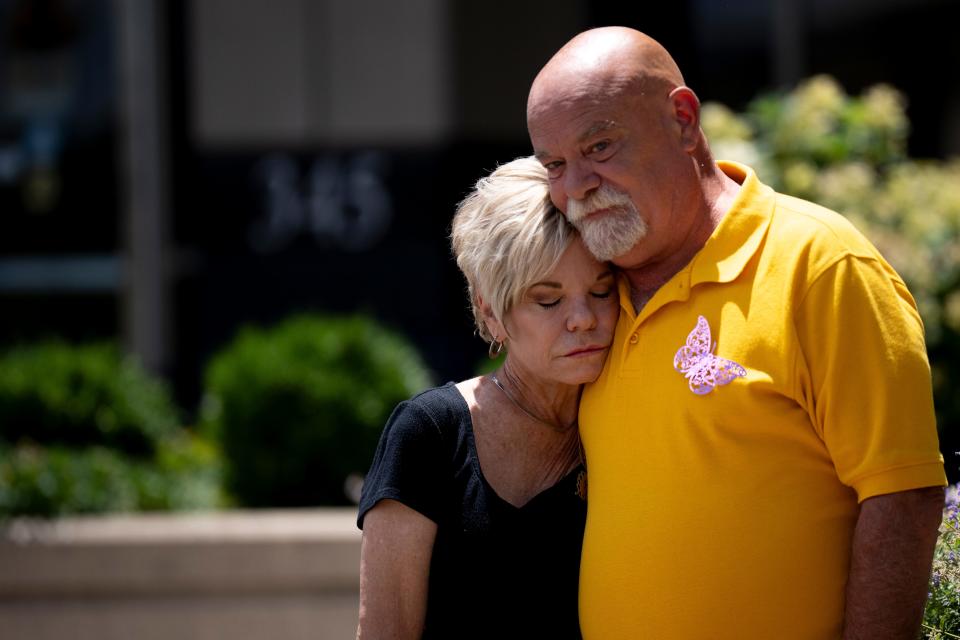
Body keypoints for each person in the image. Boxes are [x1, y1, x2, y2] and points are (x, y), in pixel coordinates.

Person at [526, 26, 947, 640]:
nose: (576, 186)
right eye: (555, 165)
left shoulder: (820, 265)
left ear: (684, 119)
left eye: (601, 147)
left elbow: (903, 498)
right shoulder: (585, 297)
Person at [355, 156, 619, 639]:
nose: (583, 318)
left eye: (601, 292)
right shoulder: (429, 432)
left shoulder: (632, 419)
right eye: (548, 300)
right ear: (490, 311)